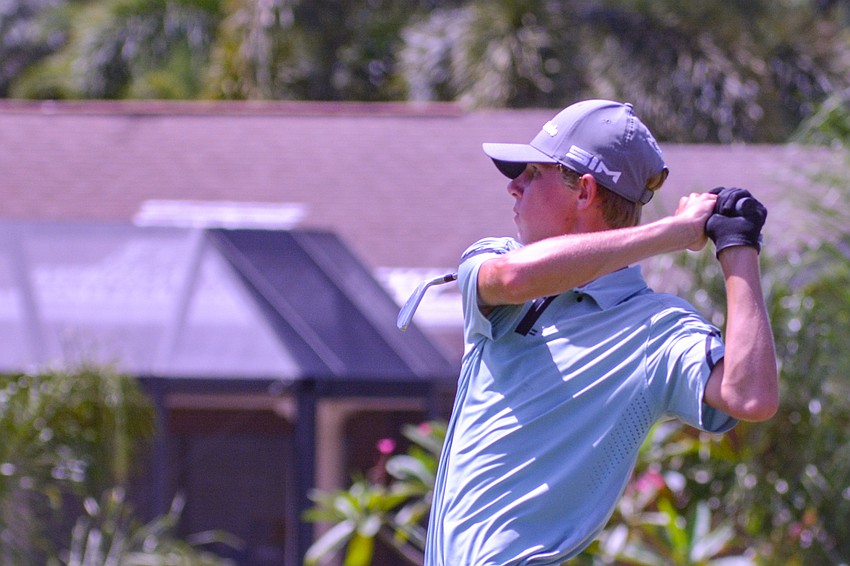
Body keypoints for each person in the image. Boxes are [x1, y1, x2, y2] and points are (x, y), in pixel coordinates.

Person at [424, 99, 778, 565]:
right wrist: (673, 233)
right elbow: (512, 278)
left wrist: (737, 246)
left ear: (585, 192)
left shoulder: (659, 331)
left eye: (533, 173)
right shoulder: (500, 261)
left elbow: (750, 396)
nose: (513, 186)